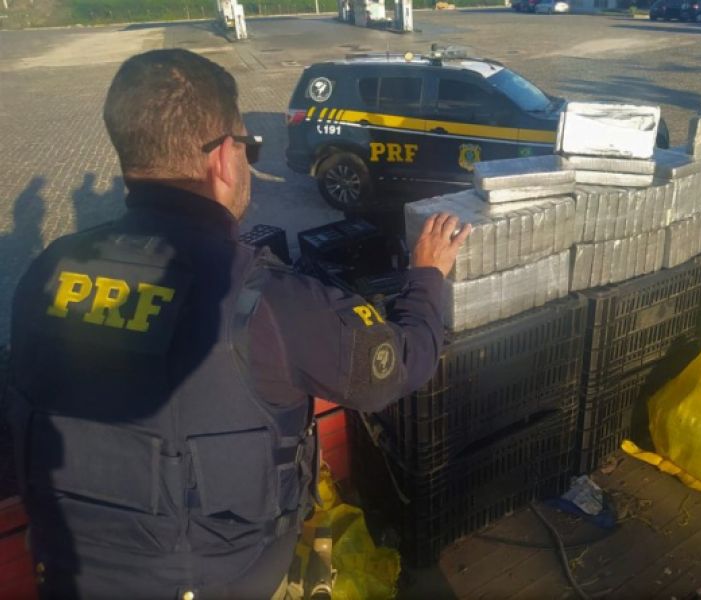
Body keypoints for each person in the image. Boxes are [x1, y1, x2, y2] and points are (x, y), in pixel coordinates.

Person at [5, 48, 470, 599]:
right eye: (251, 148)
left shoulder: (46, 271)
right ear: (225, 158)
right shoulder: (265, 301)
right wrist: (427, 275)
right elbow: (395, 368)